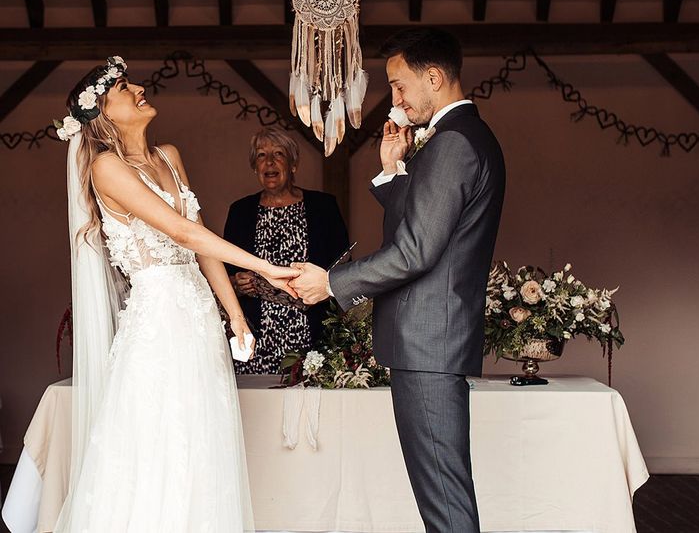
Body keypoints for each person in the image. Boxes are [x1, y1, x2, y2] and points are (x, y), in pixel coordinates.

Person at [52, 57, 298, 532]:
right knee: (162, 439)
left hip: (200, 317)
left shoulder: (169, 155)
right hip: (159, 322)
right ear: (102, 111)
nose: (139, 89)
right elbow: (183, 234)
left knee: (203, 437)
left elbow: (201, 242)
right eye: (125, 88)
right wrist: (268, 267)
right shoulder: (106, 169)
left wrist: (236, 315)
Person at [292, 28, 506, 533]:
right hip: (431, 344)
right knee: (441, 497)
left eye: (399, 85)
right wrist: (393, 173)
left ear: (434, 77)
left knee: (445, 503)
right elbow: (428, 229)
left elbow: (414, 251)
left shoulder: (453, 142)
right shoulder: (460, 138)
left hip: (430, 346)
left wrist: (332, 283)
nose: (396, 100)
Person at [223, 127, 349, 374]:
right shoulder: (240, 211)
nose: (269, 162)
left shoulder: (323, 206)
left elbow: (343, 264)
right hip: (259, 333)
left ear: (293, 164)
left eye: (278, 154)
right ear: (254, 167)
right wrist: (237, 283)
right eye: (261, 156)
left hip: (312, 330)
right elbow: (223, 271)